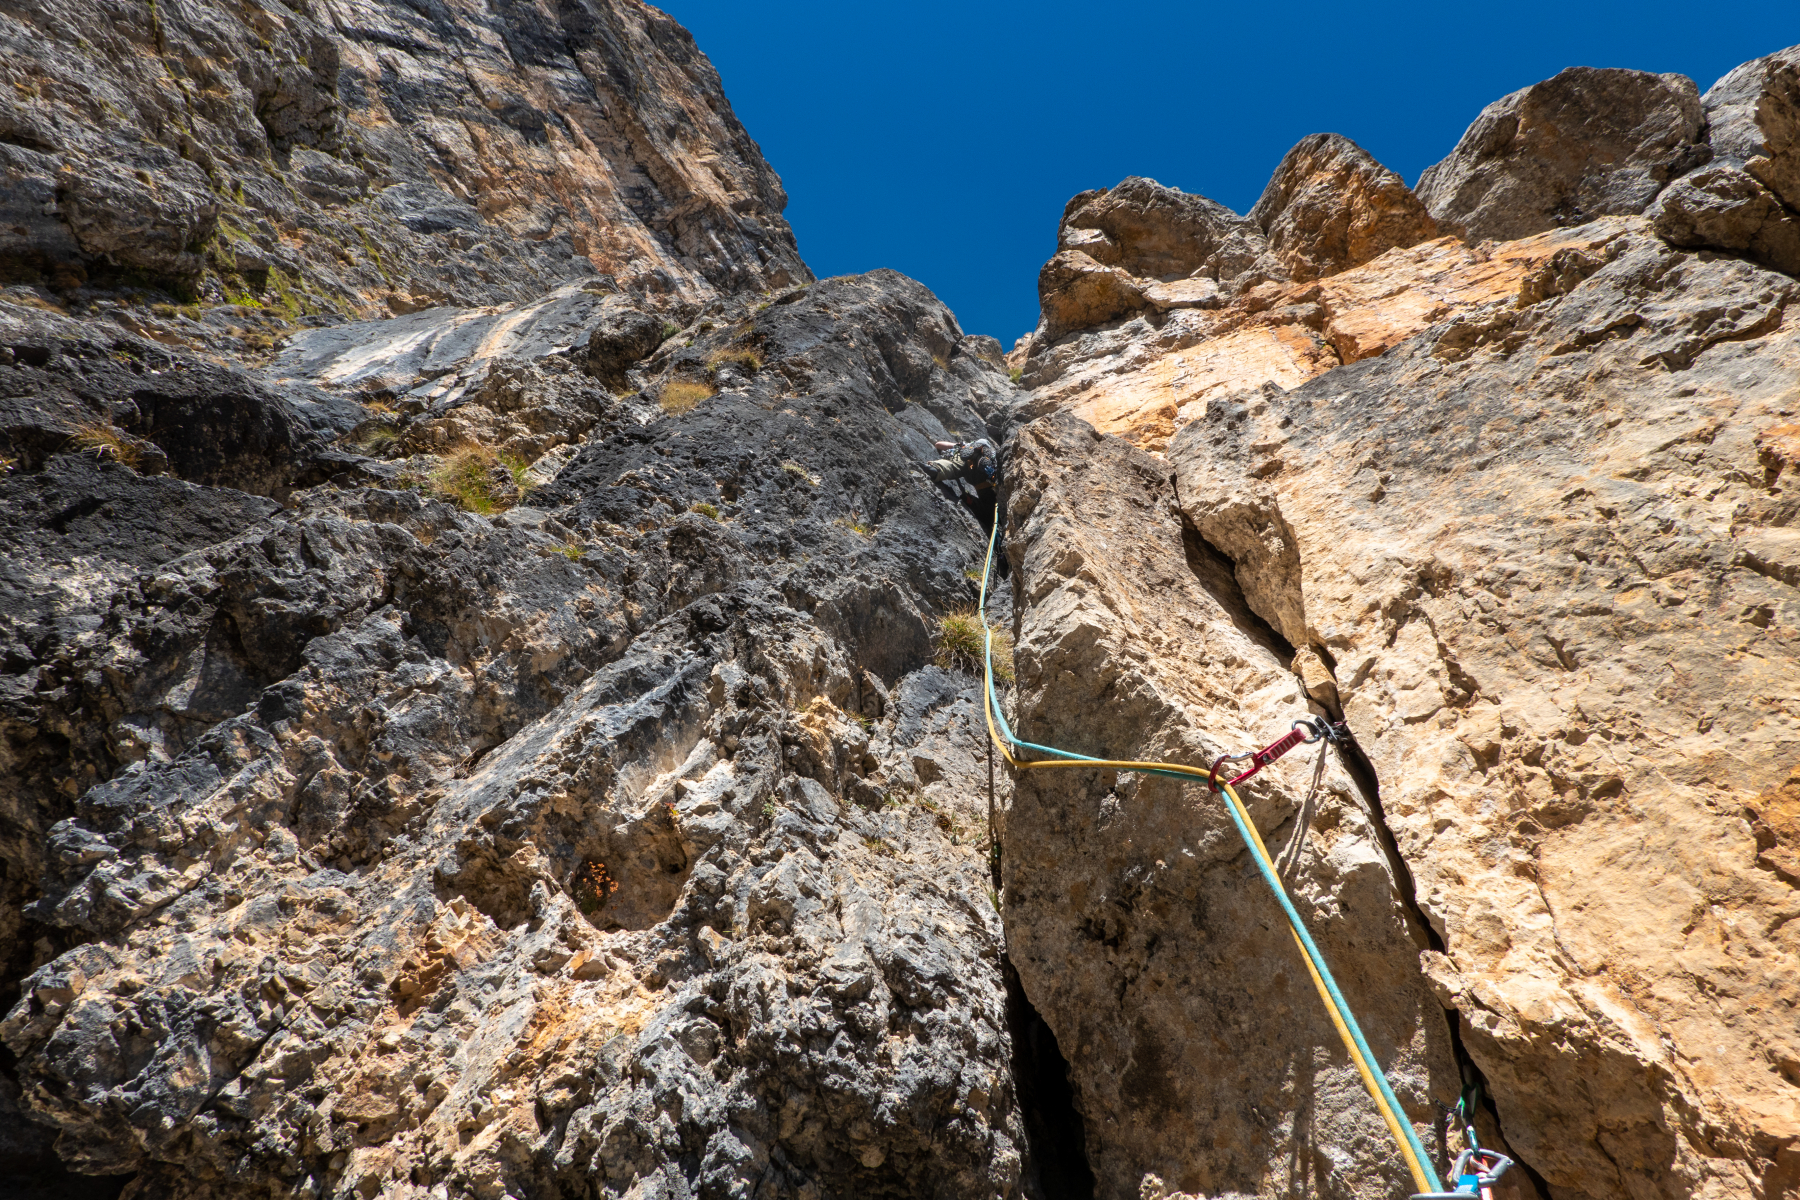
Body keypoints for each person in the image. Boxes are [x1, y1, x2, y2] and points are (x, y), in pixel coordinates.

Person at [923, 437, 999, 493]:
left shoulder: (964, 447)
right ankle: (981, 456)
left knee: (955, 465)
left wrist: (958, 445)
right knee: (985, 485)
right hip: (980, 478)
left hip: (966, 459)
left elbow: (938, 445)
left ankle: (936, 468)